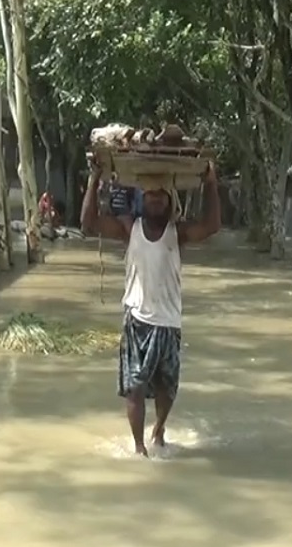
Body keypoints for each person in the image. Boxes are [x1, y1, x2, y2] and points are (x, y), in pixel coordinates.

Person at [81, 159, 221, 457]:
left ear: (170, 200)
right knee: (134, 386)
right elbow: (89, 223)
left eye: (161, 194)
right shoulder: (128, 228)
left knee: (166, 388)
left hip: (168, 322)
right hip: (136, 319)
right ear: (141, 199)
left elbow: (212, 226)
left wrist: (210, 183)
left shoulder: (177, 232)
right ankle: (140, 448)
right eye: (149, 194)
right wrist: (94, 180)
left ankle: (158, 429)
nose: (155, 198)